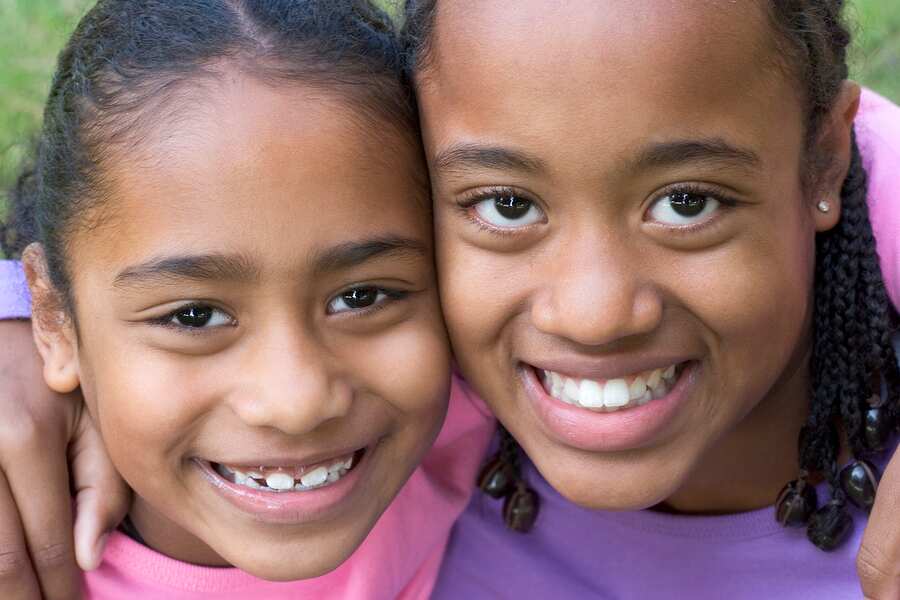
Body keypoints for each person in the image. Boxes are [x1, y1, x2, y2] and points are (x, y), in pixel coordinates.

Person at [402, 0, 900, 597]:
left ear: (823, 162)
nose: (595, 316)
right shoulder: (377, 461)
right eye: (507, 205)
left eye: (686, 202)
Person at [0, 1, 494, 598]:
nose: (296, 403)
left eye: (361, 297)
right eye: (194, 315)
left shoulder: (480, 399)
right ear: (54, 319)